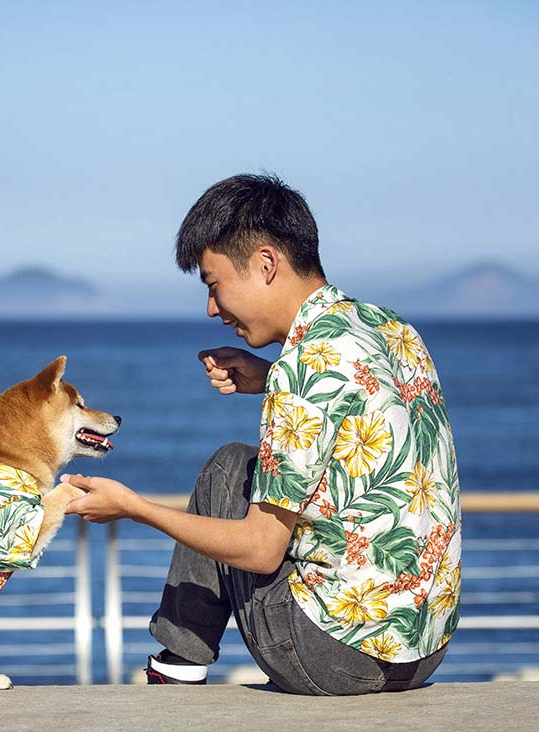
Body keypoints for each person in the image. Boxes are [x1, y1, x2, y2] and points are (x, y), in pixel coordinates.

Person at [62, 173, 461, 694]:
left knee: (229, 467)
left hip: (330, 656)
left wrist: (134, 508)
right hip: (422, 652)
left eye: (213, 283)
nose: (212, 308)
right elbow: (369, 405)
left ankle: (178, 662)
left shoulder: (303, 366)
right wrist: (269, 378)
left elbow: (260, 551)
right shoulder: (390, 329)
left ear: (266, 263)